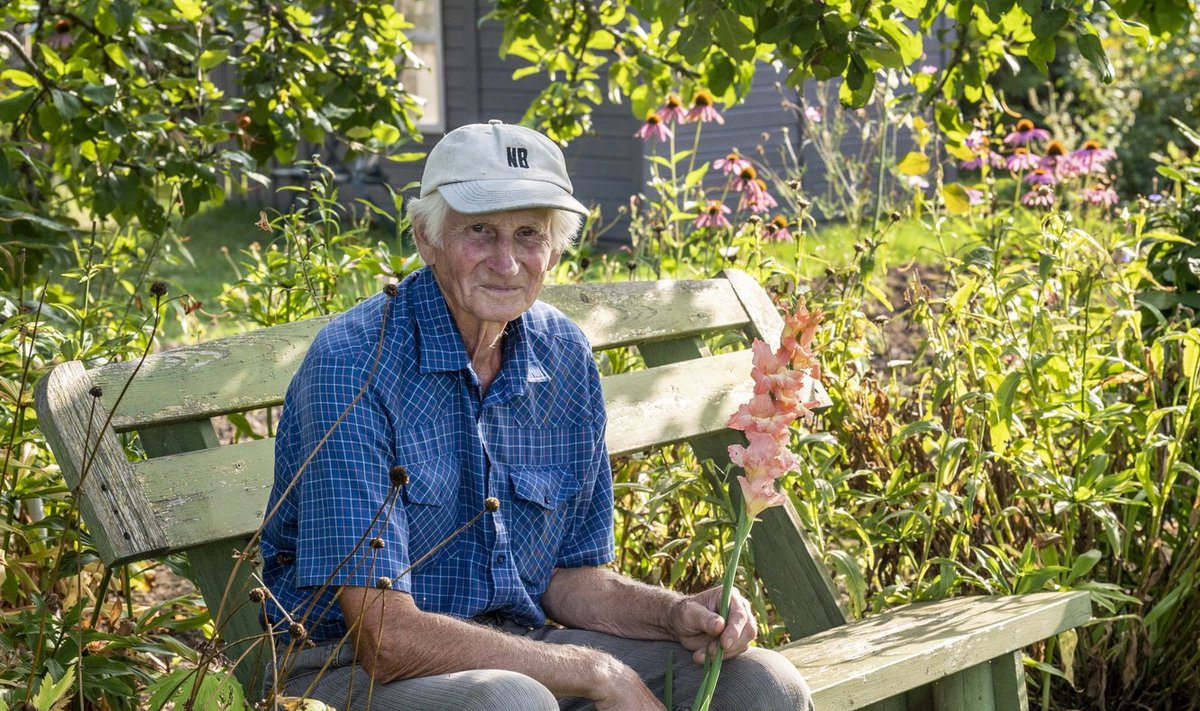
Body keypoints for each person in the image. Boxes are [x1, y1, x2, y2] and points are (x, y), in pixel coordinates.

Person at [259, 120, 814, 711]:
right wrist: (599, 672)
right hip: (339, 672)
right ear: (427, 237)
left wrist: (674, 614)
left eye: (528, 233)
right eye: (479, 231)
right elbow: (384, 636)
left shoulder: (561, 352)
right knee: (510, 702)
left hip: (522, 648)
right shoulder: (355, 364)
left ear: (553, 247)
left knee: (762, 684)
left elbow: (569, 579)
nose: (507, 261)